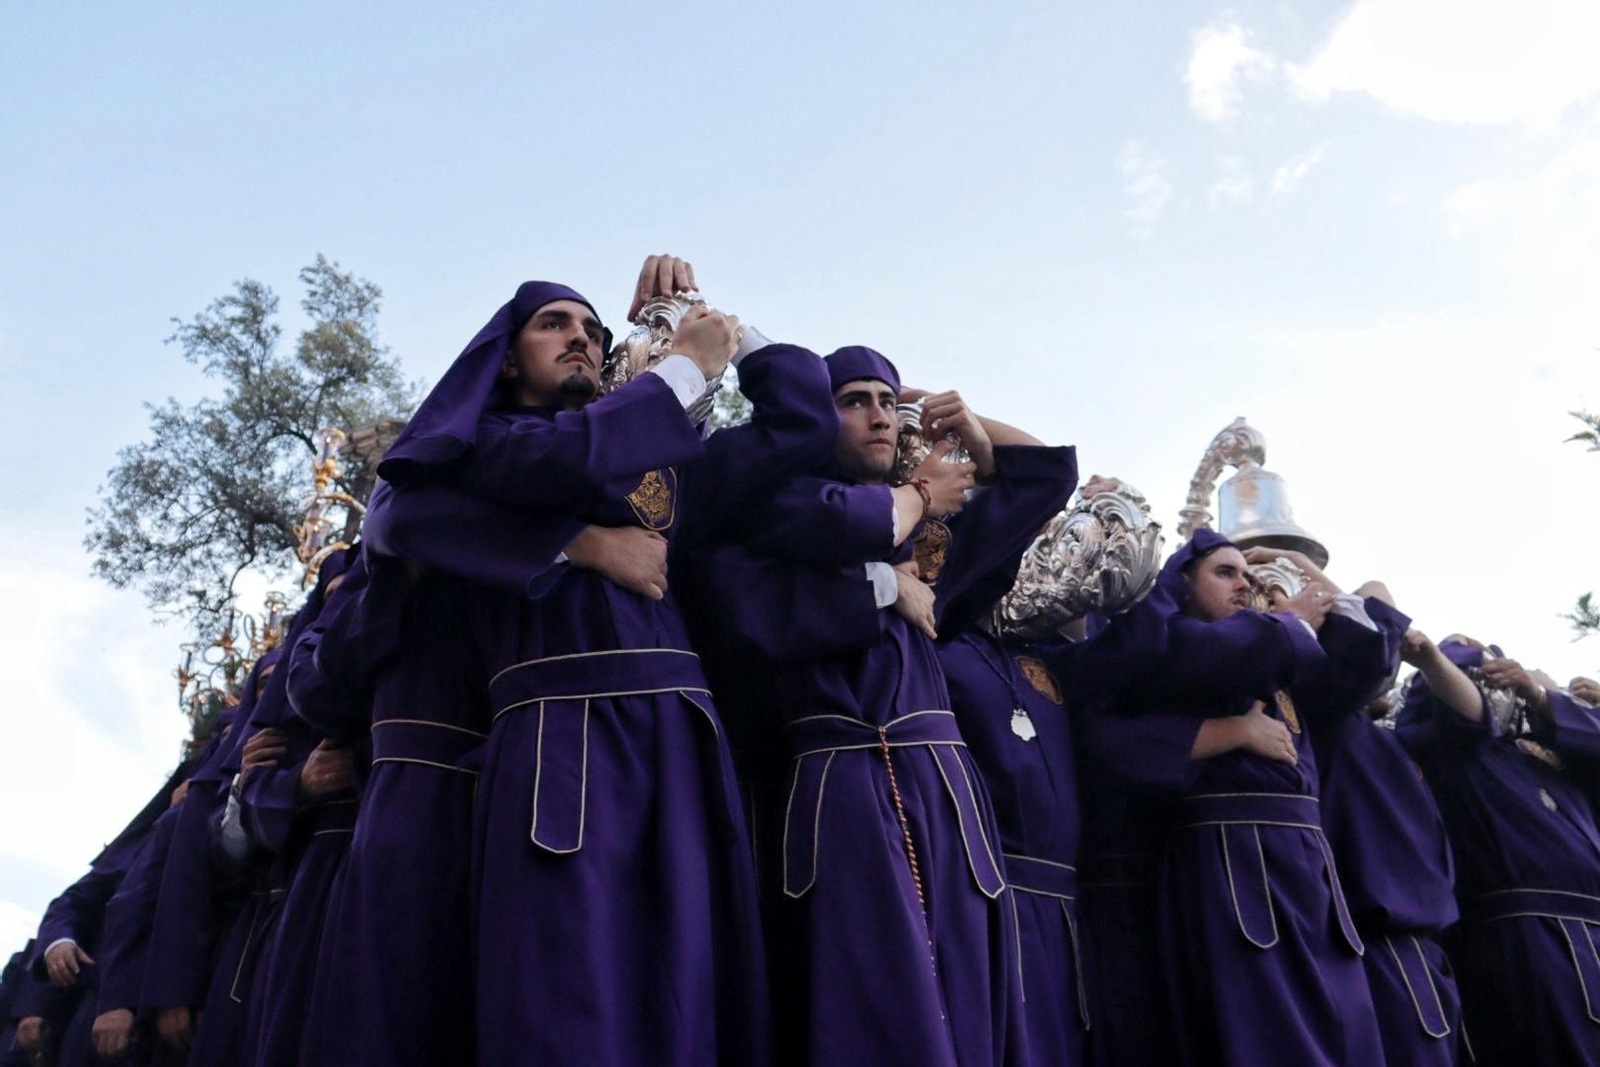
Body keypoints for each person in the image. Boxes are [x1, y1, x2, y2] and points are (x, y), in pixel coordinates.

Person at [303, 255, 830, 1065]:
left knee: (687, 982)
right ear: (507, 357)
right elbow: (532, 470)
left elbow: (802, 422)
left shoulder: (653, 463)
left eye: (593, 330)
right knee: (571, 992)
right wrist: (581, 540)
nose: (582, 339)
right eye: (556, 325)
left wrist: (717, 321)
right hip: (566, 745)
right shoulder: (487, 445)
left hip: (683, 741)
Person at [687, 347, 1076, 1066]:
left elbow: (1050, 476)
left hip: (949, 795)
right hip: (844, 785)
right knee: (870, 996)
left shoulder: (923, 536)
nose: (878, 417)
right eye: (854, 400)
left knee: (965, 999)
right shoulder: (780, 503)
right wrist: (884, 579)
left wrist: (976, 432)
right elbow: (757, 607)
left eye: (888, 403)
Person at [1097, 530, 1385, 1067]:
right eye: (1225, 573)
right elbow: (1233, 650)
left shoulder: (1275, 654)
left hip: (1308, 872)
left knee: (1343, 1029)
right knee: (1268, 1034)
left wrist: (1305, 569)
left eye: (1249, 577)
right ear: (1182, 585)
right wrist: (1235, 725)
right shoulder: (1177, 642)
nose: (1246, 585)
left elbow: (1365, 661)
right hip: (1236, 868)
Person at [1397, 633, 1600, 1065]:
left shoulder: (1552, 751)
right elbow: (1464, 715)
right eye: (1480, 676)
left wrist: (1543, 698)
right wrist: (1434, 659)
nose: (1499, 688)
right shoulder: (1457, 752)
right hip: (1524, 941)